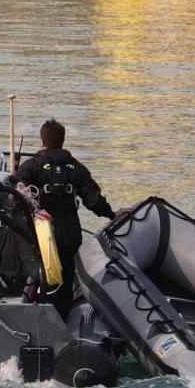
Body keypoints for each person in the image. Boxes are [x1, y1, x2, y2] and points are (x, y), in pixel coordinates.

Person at [13, 119, 119, 318]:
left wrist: (34, 209)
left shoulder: (32, 165)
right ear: (63, 141)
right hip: (70, 236)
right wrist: (113, 214)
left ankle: (40, 316)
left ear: (42, 142)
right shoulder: (76, 168)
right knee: (66, 279)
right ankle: (64, 320)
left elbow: (15, 186)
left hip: (45, 238)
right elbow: (94, 200)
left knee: (43, 278)